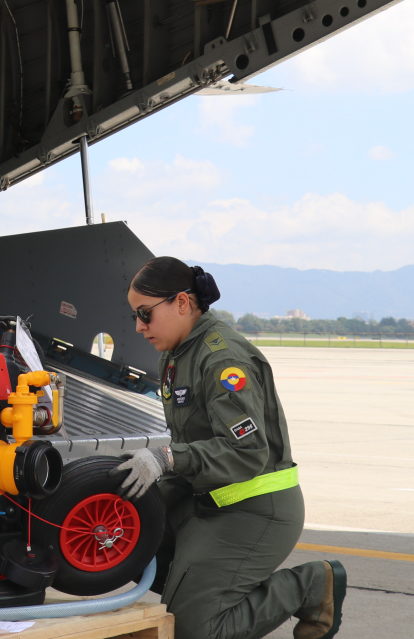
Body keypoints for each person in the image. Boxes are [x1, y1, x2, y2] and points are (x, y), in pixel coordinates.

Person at [112, 257, 346, 639]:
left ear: (183, 303)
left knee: (191, 631)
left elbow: (247, 452)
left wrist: (167, 458)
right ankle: (209, 587)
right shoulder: (176, 352)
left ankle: (310, 587)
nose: (138, 326)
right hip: (207, 498)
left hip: (253, 508)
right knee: (126, 539)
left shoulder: (222, 359)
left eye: (145, 314)